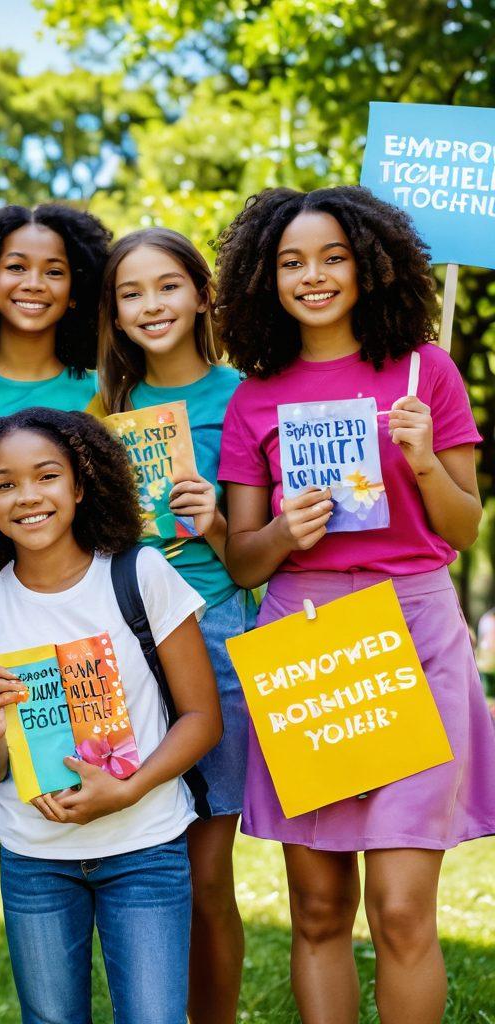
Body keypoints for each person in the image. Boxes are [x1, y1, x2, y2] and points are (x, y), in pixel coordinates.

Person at [216, 185, 495, 1024]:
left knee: (404, 909)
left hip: (415, 631)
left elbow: (465, 529)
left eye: (333, 256)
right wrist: (284, 536)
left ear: (369, 265)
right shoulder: (254, 395)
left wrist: (420, 461)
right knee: (319, 910)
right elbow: (240, 557)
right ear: (267, 278)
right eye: (292, 262)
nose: (314, 276)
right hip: (306, 635)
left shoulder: (424, 370)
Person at [0, 407, 221, 1024]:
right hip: (36, 859)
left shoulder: (139, 573)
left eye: (46, 476)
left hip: (144, 845)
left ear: (80, 485)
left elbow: (202, 718)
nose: (28, 496)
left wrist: (127, 790)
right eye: (3, 484)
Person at [0, 203, 110, 1021]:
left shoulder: (106, 385)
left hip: (82, 648)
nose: (33, 283)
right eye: (15, 265)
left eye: (54, 269)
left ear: (79, 287)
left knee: (92, 822)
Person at [89, 227, 253, 1022]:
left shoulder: (245, 397)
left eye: (167, 286)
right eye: (131, 293)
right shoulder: (105, 412)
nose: (150, 305)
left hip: (219, 630)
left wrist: (216, 521)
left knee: (205, 868)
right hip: (127, 636)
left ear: (201, 295)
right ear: (114, 315)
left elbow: (260, 551)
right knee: (150, 859)